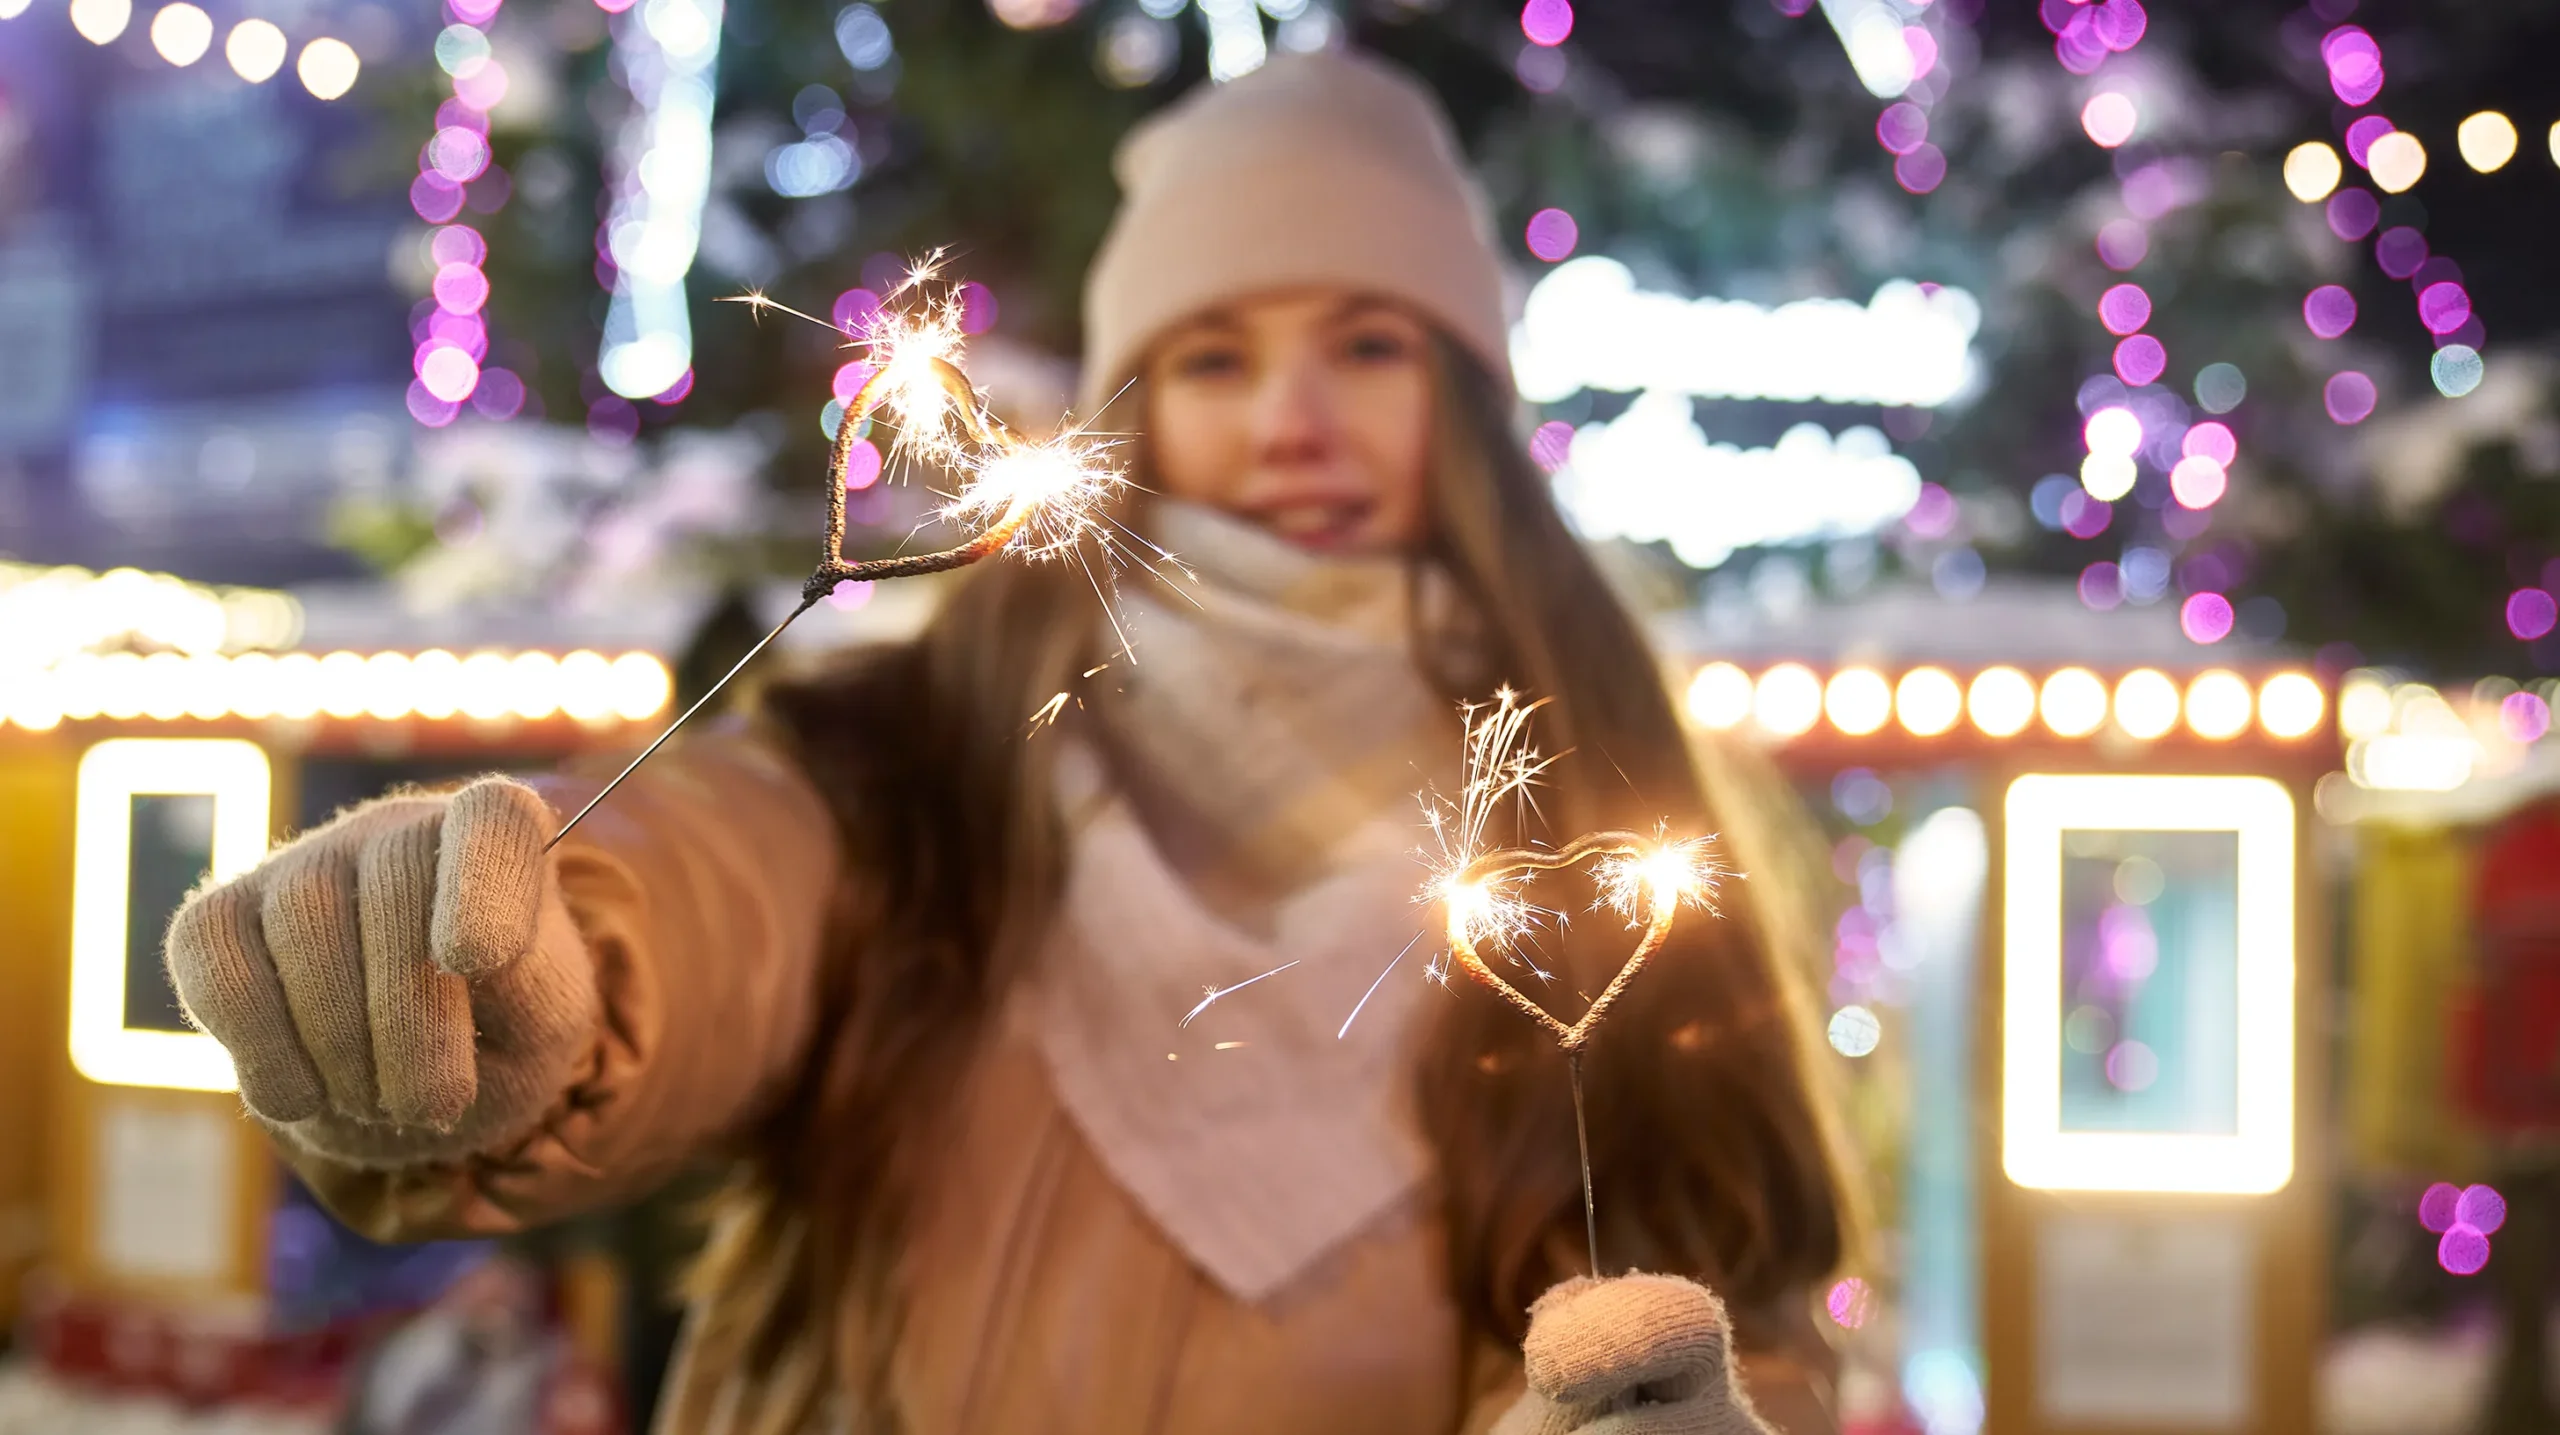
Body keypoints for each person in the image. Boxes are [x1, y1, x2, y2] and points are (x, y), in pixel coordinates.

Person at [167, 50, 1848, 1435]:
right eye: (1216, 358)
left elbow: (1729, 1276)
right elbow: (717, 892)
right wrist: (544, 962)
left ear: (1467, 402)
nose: (1292, 421)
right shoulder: (912, 767)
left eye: (1367, 346)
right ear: (1134, 408)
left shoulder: (1600, 843)